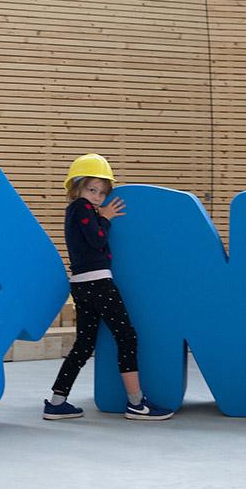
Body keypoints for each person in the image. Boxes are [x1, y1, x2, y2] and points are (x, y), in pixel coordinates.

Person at [43, 153, 173, 422]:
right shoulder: (81, 208)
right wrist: (105, 217)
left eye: (102, 193)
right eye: (92, 190)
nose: (97, 197)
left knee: (84, 343)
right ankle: (137, 403)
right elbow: (96, 240)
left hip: (81, 284)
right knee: (127, 336)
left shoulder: (77, 211)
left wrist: (99, 215)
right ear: (77, 186)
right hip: (98, 282)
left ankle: (56, 402)